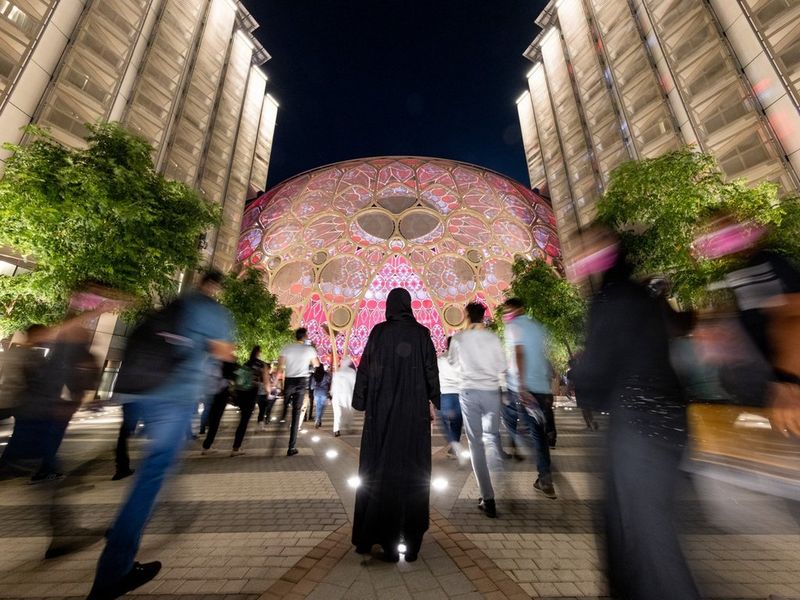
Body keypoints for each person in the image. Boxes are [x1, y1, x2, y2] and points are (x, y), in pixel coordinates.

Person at [89, 270, 234, 600]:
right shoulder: (214, 311)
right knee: (152, 476)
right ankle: (114, 568)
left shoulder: (176, 303)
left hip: (139, 394)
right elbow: (225, 353)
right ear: (216, 288)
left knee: (155, 468)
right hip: (173, 396)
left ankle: (127, 527)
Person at [570, 228, 699, 600]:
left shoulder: (608, 298)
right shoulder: (643, 295)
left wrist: (580, 376)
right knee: (636, 521)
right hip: (669, 418)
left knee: (647, 533)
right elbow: (679, 331)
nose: (580, 261)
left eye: (588, 253)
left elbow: (597, 367)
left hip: (638, 421)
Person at [352, 288, 440, 562]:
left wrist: (361, 401)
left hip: (381, 416)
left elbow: (365, 368)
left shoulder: (378, 332)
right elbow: (430, 370)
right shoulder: (422, 334)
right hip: (413, 418)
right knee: (414, 473)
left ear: (389, 307)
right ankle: (411, 543)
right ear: (409, 306)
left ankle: (378, 537)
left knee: (379, 471)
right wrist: (434, 400)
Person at [449, 303, 507, 517]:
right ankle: (499, 476)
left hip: (469, 392)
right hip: (491, 391)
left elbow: (453, 363)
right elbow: (502, 366)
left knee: (475, 443)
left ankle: (488, 496)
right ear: (483, 316)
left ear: (466, 315)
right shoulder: (492, 338)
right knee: (492, 437)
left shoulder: (459, 338)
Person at [501, 297, 556, 499]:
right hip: (542, 387)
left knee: (532, 432)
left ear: (514, 309)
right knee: (538, 432)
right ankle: (544, 475)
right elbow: (543, 355)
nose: (506, 313)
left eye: (507, 309)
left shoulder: (513, 326)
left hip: (526, 388)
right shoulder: (538, 327)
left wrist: (522, 386)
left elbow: (519, 353)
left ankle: (544, 477)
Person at [276, 328, 319, 456]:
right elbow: (316, 364)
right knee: (296, 413)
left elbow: (280, 366)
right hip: (301, 382)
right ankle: (291, 447)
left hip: (289, 381)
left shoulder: (287, 347)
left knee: (285, 405)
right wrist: (309, 364)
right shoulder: (309, 349)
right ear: (305, 336)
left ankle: (282, 416)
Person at [436, 337, 467, 463]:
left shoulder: (440, 358)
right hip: (459, 393)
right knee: (457, 422)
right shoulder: (462, 359)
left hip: (445, 393)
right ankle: (455, 445)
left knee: (443, 421)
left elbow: (436, 377)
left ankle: (454, 444)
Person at [331, 357, 356, 436]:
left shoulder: (337, 372)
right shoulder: (352, 372)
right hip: (348, 395)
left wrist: (331, 393)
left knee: (337, 413)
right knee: (349, 412)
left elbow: (333, 384)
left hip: (337, 395)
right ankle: (348, 426)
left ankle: (336, 430)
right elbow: (354, 384)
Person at [312, 364, 331, 428]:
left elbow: (312, 386)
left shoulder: (314, 375)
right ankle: (318, 419)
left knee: (318, 407)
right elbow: (329, 382)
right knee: (322, 407)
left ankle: (318, 420)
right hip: (324, 392)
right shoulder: (326, 374)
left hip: (316, 392)